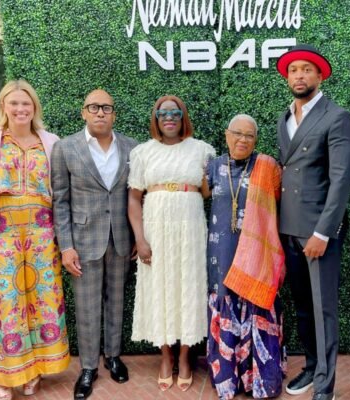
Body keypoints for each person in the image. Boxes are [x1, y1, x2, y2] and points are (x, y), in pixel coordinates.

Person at [0, 79, 70, 400]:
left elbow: (61, 193)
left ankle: (36, 370)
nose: (20, 109)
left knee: (43, 303)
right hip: (2, 234)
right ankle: (6, 375)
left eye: (26, 103)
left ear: (34, 107)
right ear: (3, 106)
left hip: (43, 235)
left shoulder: (51, 142)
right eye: (14, 103)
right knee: (6, 304)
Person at [276, 44, 350, 400]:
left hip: (318, 232)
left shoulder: (337, 117)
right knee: (304, 308)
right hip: (289, 229)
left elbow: (340, 180)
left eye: (307, 70)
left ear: (319, 76)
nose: (299, 76)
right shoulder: (284, 118)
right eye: (294, 70)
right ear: (287, 77)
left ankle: (325, 387)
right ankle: (311, 367)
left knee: (323, 310)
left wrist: (324, 232)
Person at [51, 89, 138, 399]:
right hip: (83, 241)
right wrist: (66, 246)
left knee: (116, 301)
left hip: (121, 239)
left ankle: (113, 357)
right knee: (87, 307)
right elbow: (60, 201)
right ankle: (88, 367)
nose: (100, 112)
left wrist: (137, 235)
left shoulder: (132, 147)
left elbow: (137, 195)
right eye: (94, 107)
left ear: (114, 114)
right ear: (84, 112)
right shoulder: (65, 148)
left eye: (107, 108)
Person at [127, 95, 215, 392]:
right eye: (163, 113)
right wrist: (140, 238)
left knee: (189, 288)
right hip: (156, 232)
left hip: (190, 231)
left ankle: (186, 357)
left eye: (175, 112)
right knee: (159, 289)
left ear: (183, 117)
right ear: (155, 118)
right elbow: (134, 198)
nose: (169, 117)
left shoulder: (203, 150)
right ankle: (166, 357)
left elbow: (208, 192)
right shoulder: (142, 153)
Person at [205, 114, 286, 399]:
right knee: (225, 303)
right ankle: (228, 379)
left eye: (249, 135)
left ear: (256, 140)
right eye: (237, 133)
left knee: (257, 308)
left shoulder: (268, 167)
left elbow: (279, 207)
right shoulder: (213, 166)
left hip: (258, 256)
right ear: (226, 135)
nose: (242, 140)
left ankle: (261, 381)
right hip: (221, 253)